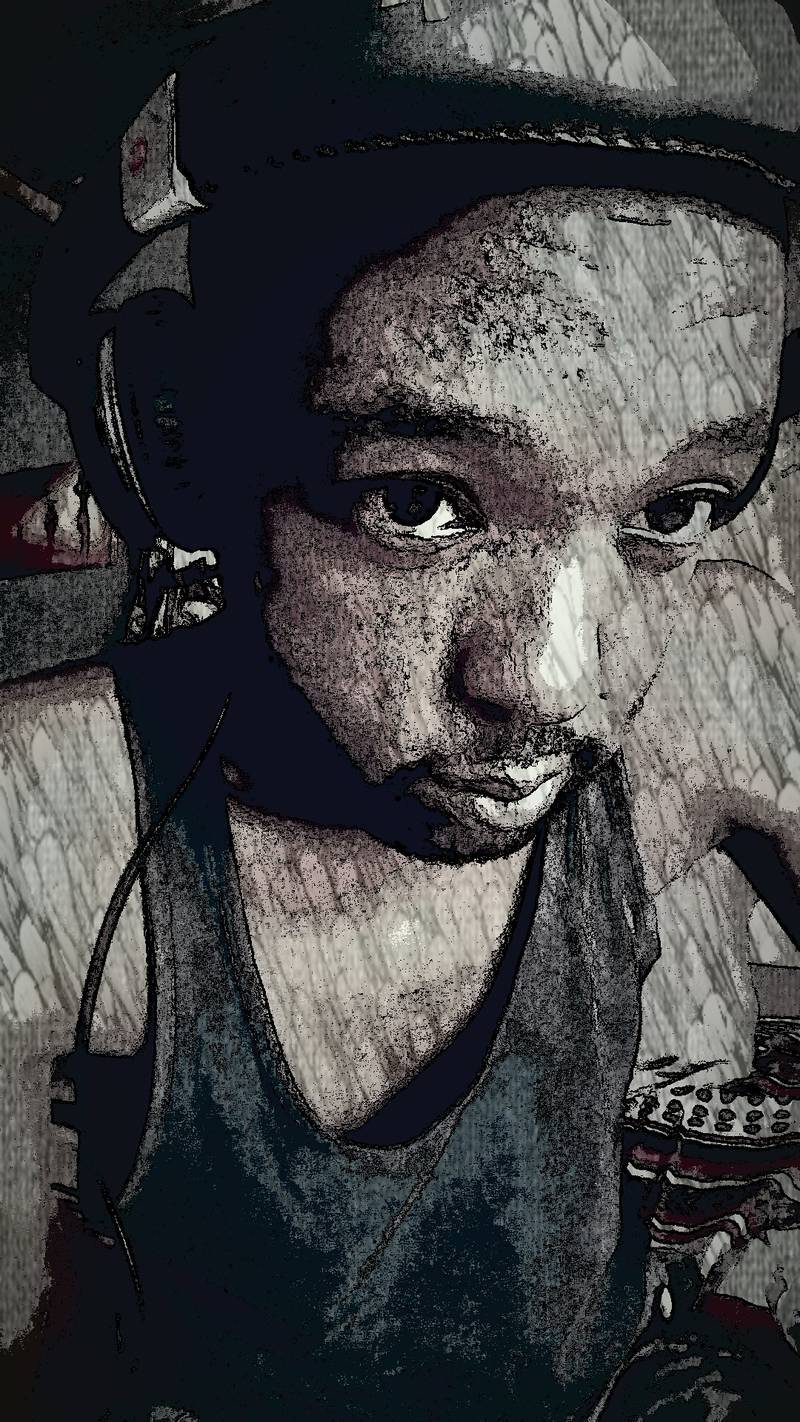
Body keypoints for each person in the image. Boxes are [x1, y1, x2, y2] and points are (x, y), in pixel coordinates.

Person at [3, 2, 800, 1417]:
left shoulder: (721, 665)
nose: (561, 685)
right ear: (174, 436)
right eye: (421, 501)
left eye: (676, 510)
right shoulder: (46, 827)